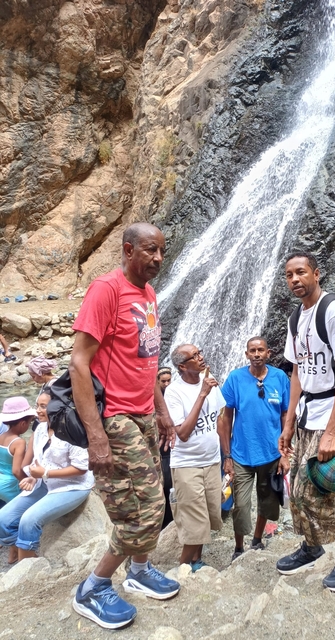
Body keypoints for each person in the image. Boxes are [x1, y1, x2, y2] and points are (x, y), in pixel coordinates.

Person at [69, 222, 180, 630]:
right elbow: (79, 363)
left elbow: (147, 358)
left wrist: (163, 412)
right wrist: (96, 435)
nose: (158, 259)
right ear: (128, 249)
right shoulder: (106, 290)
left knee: (150, 496)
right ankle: (94, 586)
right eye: (150, 250)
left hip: (144, 414)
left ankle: (139, 568)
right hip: (114, 417)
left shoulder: (148, 293)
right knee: (147, 508)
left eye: (162, 251)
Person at [277, 251, 335, 592]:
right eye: (289, 275)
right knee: (295, 488)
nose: (295, 279)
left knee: (312, 492)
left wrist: (332, 432)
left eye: (301, 272)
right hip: (307, 415)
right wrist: (288, 425)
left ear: (317, 274)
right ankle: (312, 545)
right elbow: (298, 373)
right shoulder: (295, 319)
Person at [0, 390, 94, 564]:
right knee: (3, 518)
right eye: (37, 406)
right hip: (44, 482)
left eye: (43, 406)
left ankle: (26, 571)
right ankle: (29, 558)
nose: (37, 411)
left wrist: (44, 473)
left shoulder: (73, 429)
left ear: (58, 406)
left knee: (29, 520)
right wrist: (32, 477)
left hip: (72, 486)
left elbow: (81, 468)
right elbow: (39, 459)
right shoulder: (41, 428)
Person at [221, 336, 290, 560]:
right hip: (241, 454)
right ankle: (238, 547)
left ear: (268, 353)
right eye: (253, 350)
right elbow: (225, 417)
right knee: (240, 505)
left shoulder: (280, 378)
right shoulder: (235, 378)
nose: (257, 354)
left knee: (267, 500)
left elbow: (286, 415)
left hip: (271, 454)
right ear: (247, 354)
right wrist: (227, 455)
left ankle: (258, 539)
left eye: (261, 350)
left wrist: (285, 453)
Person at [164, 345, 232, 572]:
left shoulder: (209, 379)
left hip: (212, 461)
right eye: (194, 356)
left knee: (210, 514)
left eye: (200, 352)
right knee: (195, 520)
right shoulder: (174, 391)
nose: (201, 357)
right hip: (187, 465)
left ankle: (196, 561)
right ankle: (182, 567)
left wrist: (227, 455)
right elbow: (182, 433)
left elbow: (221, 419)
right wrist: (202, 394)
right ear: (182, 366)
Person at [0, 397, 33, 562]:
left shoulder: (2, 435)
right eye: (28, 423)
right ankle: (14, 551)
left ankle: (6, 545)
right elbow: (16, 470)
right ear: (22, 423)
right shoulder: (18, 442)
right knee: (17, 517)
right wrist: (26, 481)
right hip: (10, 485)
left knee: (4, 511)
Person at [157, 367, 173, 530]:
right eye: (163, 381)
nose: (167, 384)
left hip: (172, 450)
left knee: (170, 487)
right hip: (159, 451)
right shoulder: (154, 400)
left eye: (169, 380)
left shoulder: (173, 396)